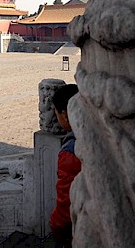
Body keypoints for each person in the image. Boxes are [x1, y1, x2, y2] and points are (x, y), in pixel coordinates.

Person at [50, 84, 80, 246]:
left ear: (65, 114)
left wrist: (56, 227)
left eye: (57, 114)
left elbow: (65, 204)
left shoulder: (70, 151)